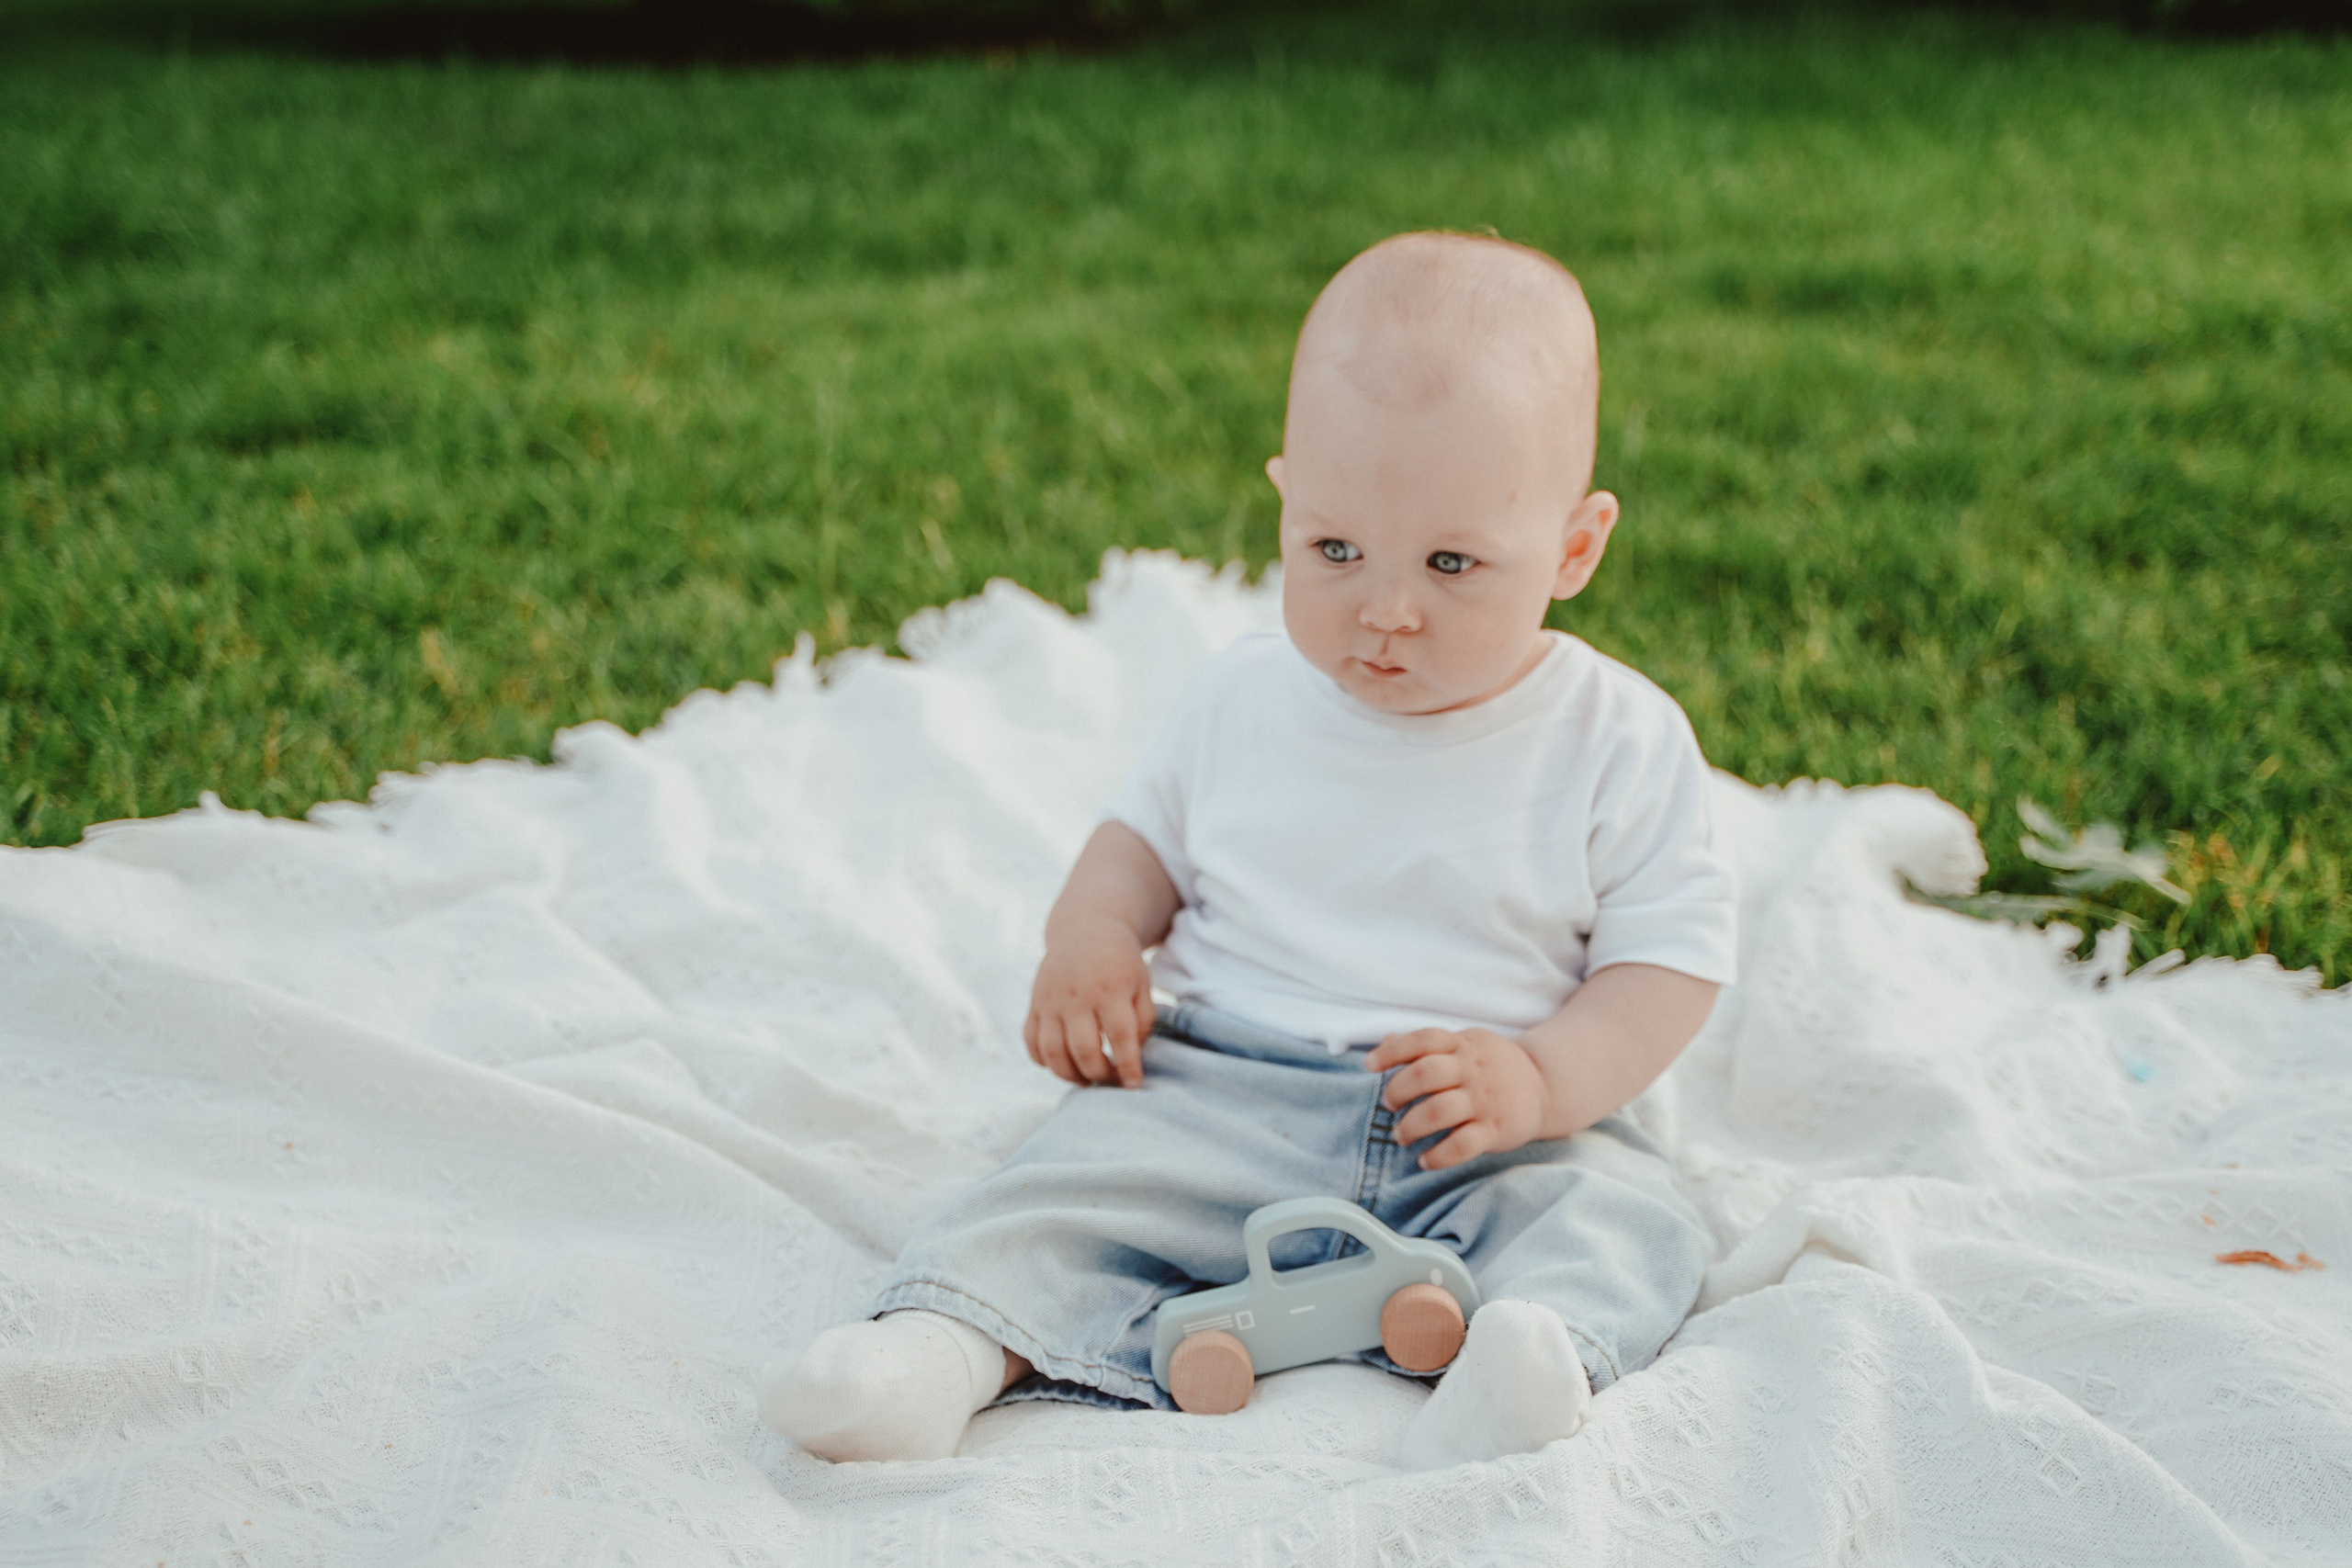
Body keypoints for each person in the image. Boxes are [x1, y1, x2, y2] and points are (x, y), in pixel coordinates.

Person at [762, 231, 1736, 1471]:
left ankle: (1525, 1359)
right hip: (1223, 1088)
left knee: (1627, 1220)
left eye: (1452, 563)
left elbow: (1668, 968)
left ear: (1576, 547)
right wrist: (1093, 941)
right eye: (1335, 551)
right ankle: (943, 1347)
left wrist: (1542, 1083)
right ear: (1285, 504)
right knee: (1068, 1181)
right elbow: (1139, 846)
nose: (1386, 607)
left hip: (1492, 1124)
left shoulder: (1618, 740)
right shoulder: (1239, 700)